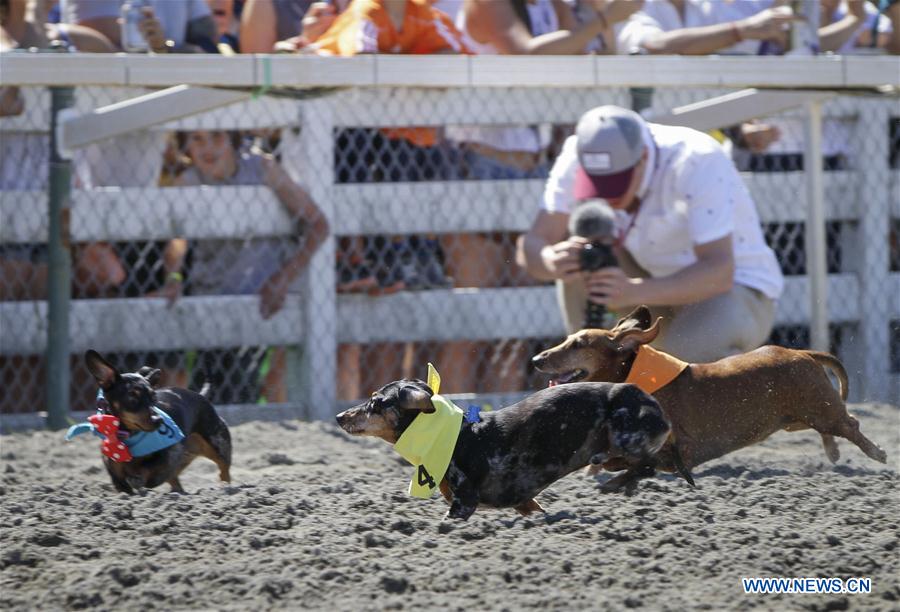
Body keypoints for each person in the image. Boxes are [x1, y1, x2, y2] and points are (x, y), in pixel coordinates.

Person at [517, 105, 784, 363]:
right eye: (597, 182)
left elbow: (720, 270)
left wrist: (634, 291)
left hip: (735, 289)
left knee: (679, 369)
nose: (606, 193)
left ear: (643, 157)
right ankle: (593, 372)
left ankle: (729, 380)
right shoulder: (576, 154)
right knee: (581, 259)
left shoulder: (695, 158)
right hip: (651, 285)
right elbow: (533, 244)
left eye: (615, 181)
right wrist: (549, 260)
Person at [156, 129, 329, 403]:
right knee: (209, 392)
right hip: (211, 301)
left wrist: (283, 279)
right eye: (197, 139)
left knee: (250, 388)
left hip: (265, 300)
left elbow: (318, 225)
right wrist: (173, 277)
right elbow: (178, 241)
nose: (207, 148)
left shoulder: (262, 168)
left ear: (234, 141)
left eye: (216, 138)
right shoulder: (187, 182)